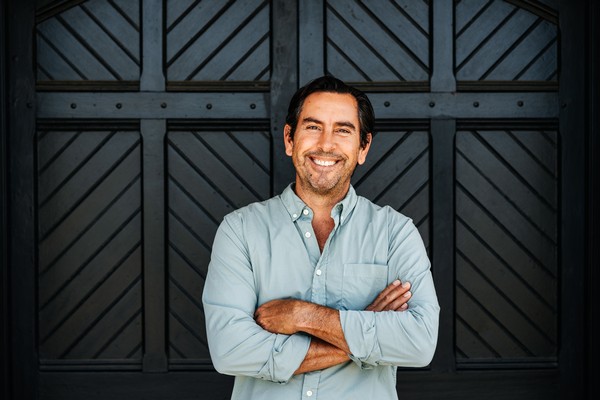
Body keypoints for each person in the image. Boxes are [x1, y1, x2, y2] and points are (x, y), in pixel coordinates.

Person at [202, 76, 439, 399]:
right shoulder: (240, 230)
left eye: (343, 130)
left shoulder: (395, 232)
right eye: (313, 127)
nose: (326, 144)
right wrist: (368, 326)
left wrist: (303, 316)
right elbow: (231, 350)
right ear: (289, 139)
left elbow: (420, 343)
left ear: (363, 148)